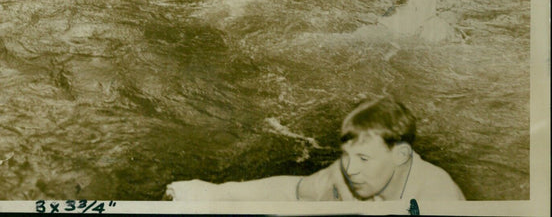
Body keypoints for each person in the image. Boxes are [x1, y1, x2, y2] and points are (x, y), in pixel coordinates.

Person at [165, 97, 465, 201]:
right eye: (346, 157)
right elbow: (293, 191)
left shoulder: (438, 198)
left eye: (362, 157)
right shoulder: (352, 174)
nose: (350, 169)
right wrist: (212, 192)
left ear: (401, 155)